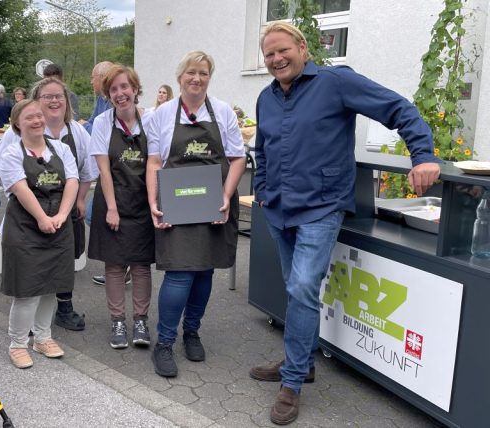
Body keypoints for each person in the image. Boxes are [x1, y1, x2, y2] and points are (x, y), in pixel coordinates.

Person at [248, 22, 441, 425]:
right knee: (296, 289)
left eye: (282, 50)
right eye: (268, 55)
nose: (276, 60)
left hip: (321, 206)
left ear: (303, 47)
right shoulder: (266, 98)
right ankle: (304, 361)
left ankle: (293, 380)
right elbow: (262, 151)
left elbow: (398, 109)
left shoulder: (336, 82)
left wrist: (422, 155)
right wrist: (263, 190)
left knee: (302, 287)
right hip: (280, 208)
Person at [145, 51, 246, 378]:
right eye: (191, 72)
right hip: (177, 204)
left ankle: (192, 331)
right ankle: (164, 341)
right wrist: (153, 201)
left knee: (204, 272)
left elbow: (236, 159)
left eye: (203, 73)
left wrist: (227, 196)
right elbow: (155, 162)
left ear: (209, 77)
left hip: (213, 204)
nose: (197, 78)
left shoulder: (223, 112)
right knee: (180, 273)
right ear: (180, 77)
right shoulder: (162, 114)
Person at [0, 99, 79, 369]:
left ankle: (43, 337)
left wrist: (61, 215)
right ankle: (17, 343)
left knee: (52, 286)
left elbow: (72, 180)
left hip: (58, 227)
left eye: (39, 116)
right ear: (17, 124)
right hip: (26, 228)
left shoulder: (60, 148)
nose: (37, 121)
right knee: (27, 291)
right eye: (29, 118)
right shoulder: (11, 154)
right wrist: (41, 218)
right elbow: (20, 188)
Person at [88, 64, 155, 349]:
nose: (120, 93)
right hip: (112, 199)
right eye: (113, 89)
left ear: (135, 89)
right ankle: (117, 321)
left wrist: (154, 204)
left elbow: (156, 163)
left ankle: (140, 320)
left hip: (142, 201)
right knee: (115, 265)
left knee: (140, 266)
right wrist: (112, 208)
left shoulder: (150, 120)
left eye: (124, 87)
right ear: (108, 95)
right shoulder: (103, 123)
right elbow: (104, 171)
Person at [28, 77, 98, 331]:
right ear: (37, 102)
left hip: (67, 208)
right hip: (34, 208)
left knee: (65, 259)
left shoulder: (77, 132)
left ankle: (64, 309)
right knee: (35, 260)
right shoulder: (27, 129)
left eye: (59, 96)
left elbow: (86, 171)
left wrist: (80, 200)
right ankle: (30, 313)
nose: (55, 101)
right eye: (48, 96)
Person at [78, 60, 114, 285]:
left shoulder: (112, 101)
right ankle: (119, 265)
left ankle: (120, 265)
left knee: (94, 215)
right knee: (96, 216)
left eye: (93, 77)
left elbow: (103, 130)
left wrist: (84, 127)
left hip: (114, 170)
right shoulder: (100, 100)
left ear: (102, 77)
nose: (91, 81)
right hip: (103, 169)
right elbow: (92, 124)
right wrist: (84, 126)